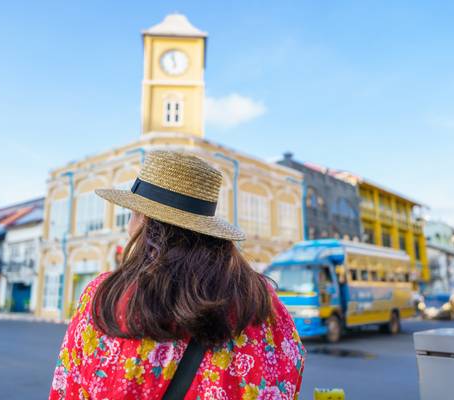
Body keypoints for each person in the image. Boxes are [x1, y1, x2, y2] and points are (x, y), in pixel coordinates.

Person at [49, 151, 305, 400]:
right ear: (209, 228)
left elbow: (66, 389)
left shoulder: (104, 296)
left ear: (143, 220)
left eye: (132, 215)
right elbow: (290, 373)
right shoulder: (261, 301)